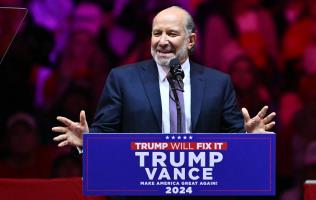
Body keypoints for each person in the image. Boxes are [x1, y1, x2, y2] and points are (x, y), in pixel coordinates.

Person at [52, 6, 276, 149]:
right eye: (157, 33)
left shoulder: (218, 84)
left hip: (200, 190)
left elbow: (233, 138)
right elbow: (106, 131)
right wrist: (88, 139)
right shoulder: (122, 79)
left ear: (191, 41)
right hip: (141, 189)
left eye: (172, 33)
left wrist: (249, 138)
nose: (162, 41)